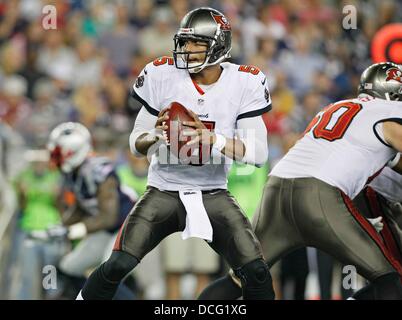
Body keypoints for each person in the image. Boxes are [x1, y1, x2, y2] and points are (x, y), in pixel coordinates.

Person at [77, 7, 274, 300]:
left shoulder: (244, 82)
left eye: (197, 43)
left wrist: (214, 139)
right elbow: (136, 142)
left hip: (212, 192)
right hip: (164, 190)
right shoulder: (162, 74)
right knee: (119, 263)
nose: (187, 50)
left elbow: (258, 153)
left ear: (219, 45)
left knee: (256, 273)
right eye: (185, 42)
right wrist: (157, 135)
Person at [199, 62, 402, 300]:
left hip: (277, 188)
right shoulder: (389, 112)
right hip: (320, 196)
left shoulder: (335, 107)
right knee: (391, 280)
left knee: (239, 279)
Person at [46, 122, 137, 298]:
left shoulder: (99, 171)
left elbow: (109, 217)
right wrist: (59, 227)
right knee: (69, 267)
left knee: (109, 276)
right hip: (107, 230)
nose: (55, 158)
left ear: (72, 152)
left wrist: (74, 230)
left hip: (127, 227)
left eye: (58, 153)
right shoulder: (74, 172)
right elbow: (82, 207)